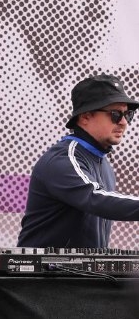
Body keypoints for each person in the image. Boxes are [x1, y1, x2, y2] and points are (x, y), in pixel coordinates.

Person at [18, 75, 139, 247]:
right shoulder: (63, 159)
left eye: (128, 114)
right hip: (43, 266)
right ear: (85, 117)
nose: (124, 122)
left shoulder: (103, 163)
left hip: (85, 267)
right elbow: (95, 199)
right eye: (115, 114)